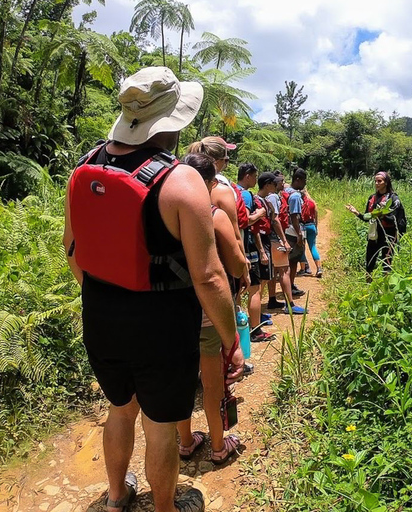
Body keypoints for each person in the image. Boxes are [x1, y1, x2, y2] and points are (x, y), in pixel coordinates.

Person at [63, 67, 243, 512]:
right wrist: (231, 340)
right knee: (161, 426)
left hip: (100, 314)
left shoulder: (84, 167)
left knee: (120, 409)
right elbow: (210, 276)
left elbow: (71, 248)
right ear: (175, 121)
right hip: (161, 324)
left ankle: (117, 495)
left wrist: (106, 296)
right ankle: (164, 508)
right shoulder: (180, 181)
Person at [176, 153, 245, 465]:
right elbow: (235, 262)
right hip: (206, 314)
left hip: (173, 311)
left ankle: (186, 442)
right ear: (210, 182)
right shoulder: (213, 214)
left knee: (181, 379)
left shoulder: (166, 212)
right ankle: (219, 446)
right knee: (212, 382)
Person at [236, 163, 275, 342]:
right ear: (248, 176)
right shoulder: (245, 195)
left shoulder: (230, 189)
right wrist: (259, 214)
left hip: (237, 246)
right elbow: (246, 222)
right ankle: (255, 330)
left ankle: (240, 326)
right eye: (254, 176)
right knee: (255, 289)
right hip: (247, 246)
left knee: (239, 290)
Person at [257, 172, 306, 314]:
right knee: (284, 269)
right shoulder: (272, 197)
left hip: (269, 238)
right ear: (269, 185)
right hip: (274, 238)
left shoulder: (264, 198)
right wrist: (284, 240)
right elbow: (275, 220)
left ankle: (272, 299)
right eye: (279, 182)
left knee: (273, 271)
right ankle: (289, 304)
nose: (282, 184)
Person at [346, 171, 407, 278]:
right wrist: (356, 213)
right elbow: (367, 217)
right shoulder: (372, 198)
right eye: (375, 181)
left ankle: (385, 286)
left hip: (389, 234)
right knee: (369, 259)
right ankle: (368, 283)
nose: (377, 183)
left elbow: (394, 219)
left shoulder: (393, 199)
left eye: (380, 181)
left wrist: (381, 214)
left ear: (386, 182)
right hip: (374, 233)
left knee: (387, 260)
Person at [283, 168, 308, 297]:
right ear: (298, 180)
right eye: (304, 180)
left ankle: (288, 285)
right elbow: (294, 216)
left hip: (285, 230)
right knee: (292, 262)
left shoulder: (285, 191)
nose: (305, 183)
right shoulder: (296, 195)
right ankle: (290, 286)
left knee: (286, 261)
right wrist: (299, 235)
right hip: (293, 232)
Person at [300, 189, 323, 278]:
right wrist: (316, 227)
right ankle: (319, 268)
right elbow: (316, 215)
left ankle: (303, 269)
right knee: (313, 247)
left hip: (303, 227)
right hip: (312, 226)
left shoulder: (300, 202)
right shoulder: (312, 202)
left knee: (301, 247)